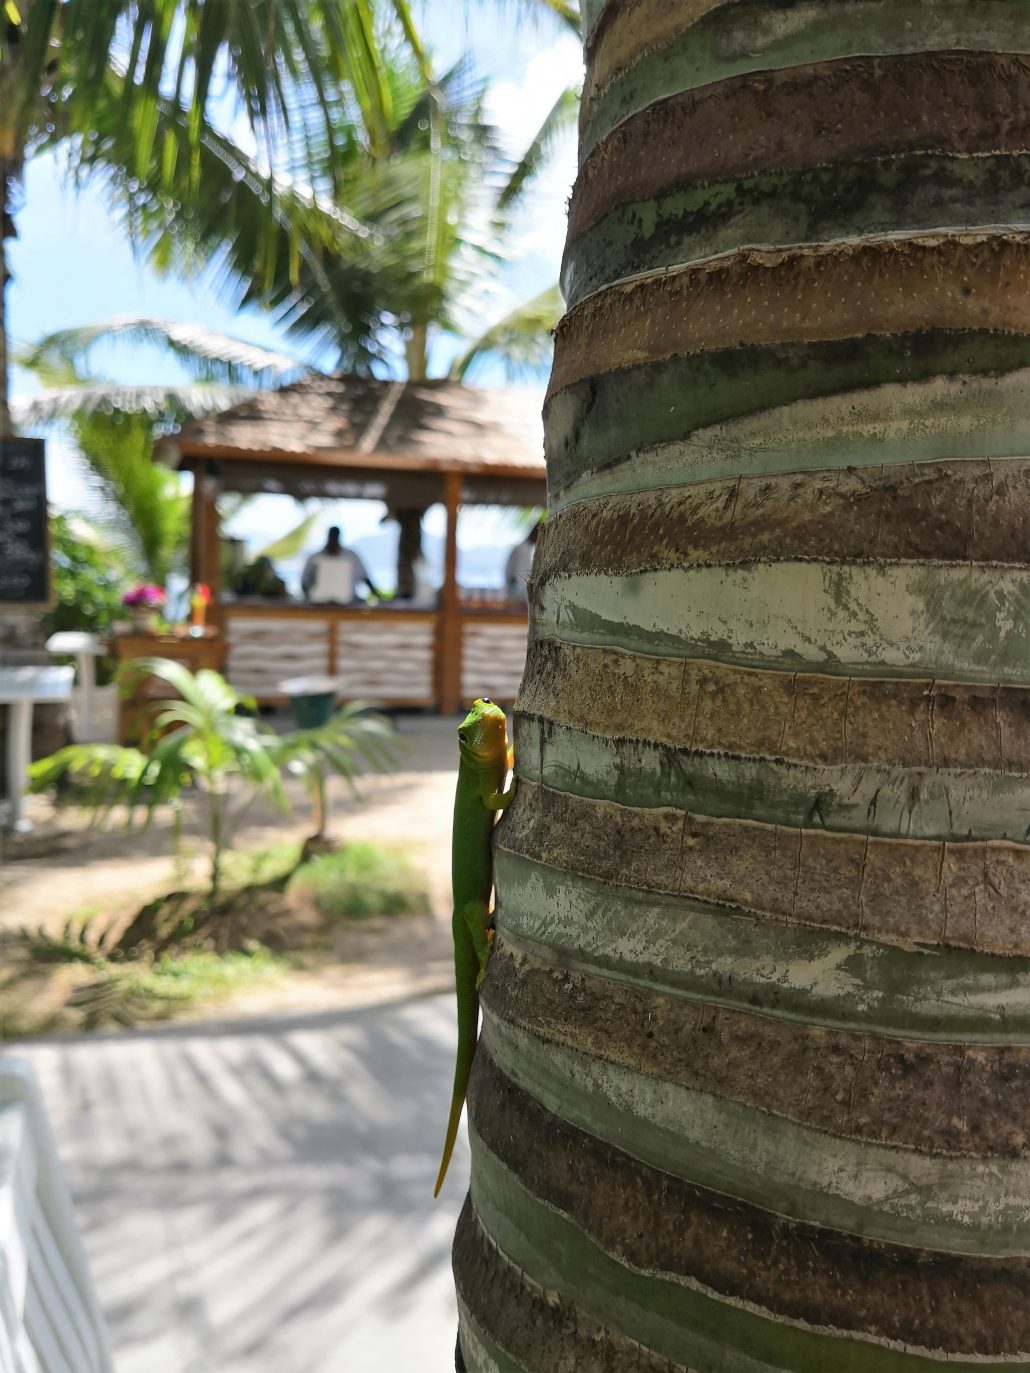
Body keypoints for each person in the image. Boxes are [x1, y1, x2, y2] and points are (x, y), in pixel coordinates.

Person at [301, 525, 380, 603]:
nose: (333, 540)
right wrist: (308, 599)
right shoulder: (314, 558)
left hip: (348, 603)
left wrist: (378, 598)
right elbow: (305, 582)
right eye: (332, 537)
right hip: (319, 604)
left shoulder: (351, 556)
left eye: (335, 537)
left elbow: (365, 578)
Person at [504, 522, 540, 603]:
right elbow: (522, 577)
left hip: (515, 590)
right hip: (515, 592)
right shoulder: (523, 549)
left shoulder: (524, 548)